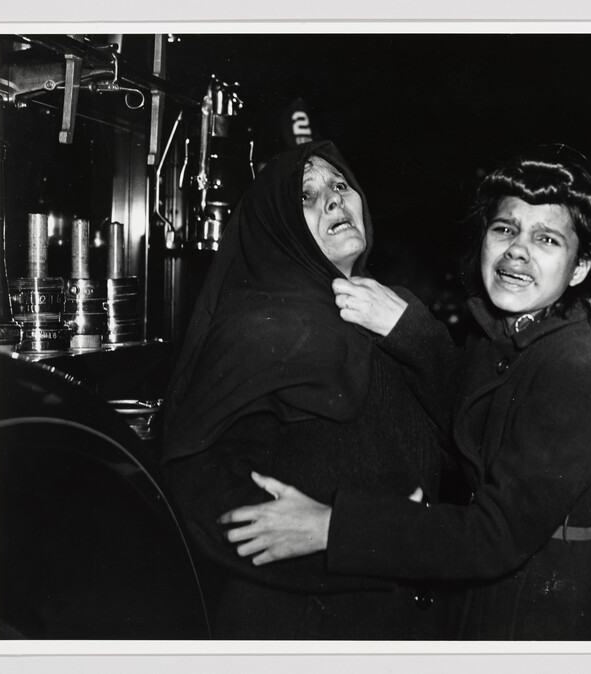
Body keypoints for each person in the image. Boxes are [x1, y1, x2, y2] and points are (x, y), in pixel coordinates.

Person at [218, 148, 591, 640]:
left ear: (580, 268)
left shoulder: (577, 363)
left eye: (546, 239)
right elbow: (469, 425)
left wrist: (331, 527)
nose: (517, 251)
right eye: (505, 229)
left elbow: (495, 536)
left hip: (539, 614)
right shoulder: (507, 334)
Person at [160, 140, 452, 639]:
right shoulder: (257, 330)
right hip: (304, 628)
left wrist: (413, 332)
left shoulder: (394, 310)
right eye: (306, 196)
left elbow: (471, 435)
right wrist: (352, 541)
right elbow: (201, 491)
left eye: (340, 184)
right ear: (279, 228)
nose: (334, 199)